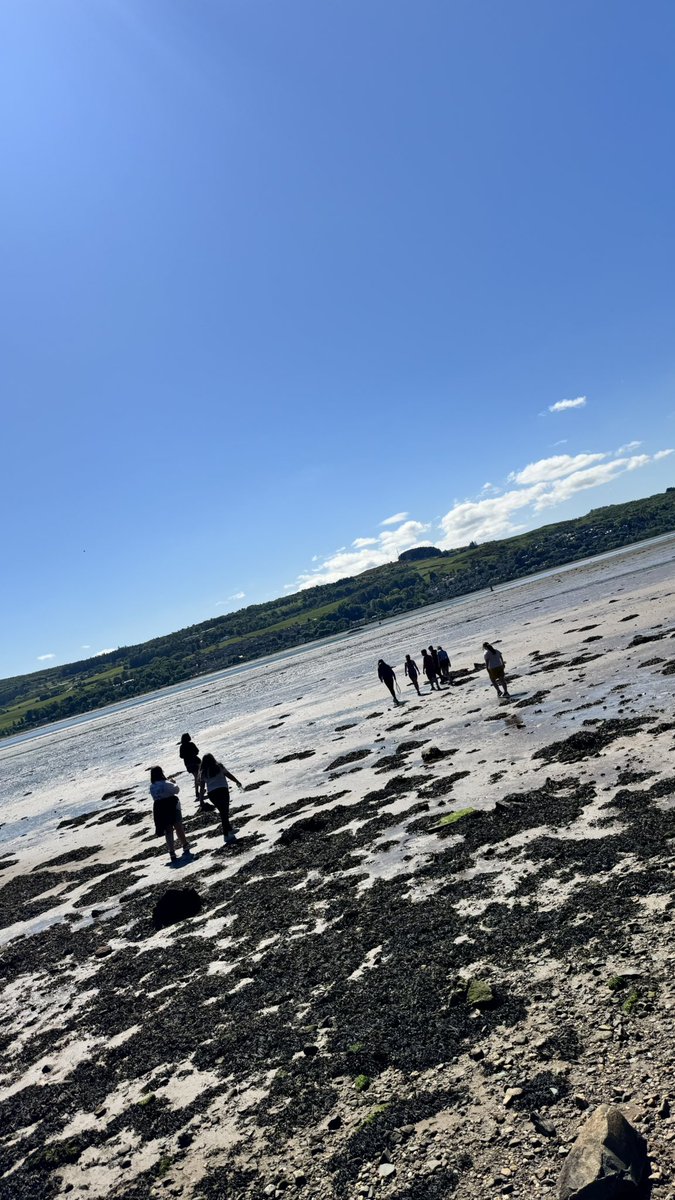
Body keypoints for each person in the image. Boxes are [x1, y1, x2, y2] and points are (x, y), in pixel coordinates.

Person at [198, 752, 244, 844]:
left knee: (223, 812)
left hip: (212, 794)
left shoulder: (203, 772)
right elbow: (228, 775)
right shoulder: (219, 766)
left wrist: (201, 800)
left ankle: (228, 833)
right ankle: (227, 833)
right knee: (224, 812)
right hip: (223, 790)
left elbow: (202, 788)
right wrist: (237, 781)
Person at [149, 766, 191, 863]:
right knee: (178, 826)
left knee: (168, 830)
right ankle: (185, 844)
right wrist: (174, 782)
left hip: (159, 807)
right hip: (171, 804)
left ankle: (171, 851)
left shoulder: (152, 787)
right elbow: (176, 790)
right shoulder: (166, 783)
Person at [179, 733, 206, 808]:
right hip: (196, 761)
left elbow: (181, 756)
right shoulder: (191, 744)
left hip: (188, 764)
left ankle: (197, 792)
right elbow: (197, 751)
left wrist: (186, 756)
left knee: (196, 776)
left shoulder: (182, 746)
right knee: (199, 776)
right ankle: (200, 789)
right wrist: (192, 754)